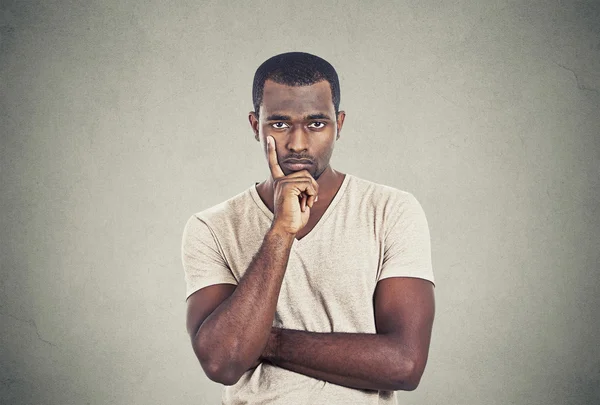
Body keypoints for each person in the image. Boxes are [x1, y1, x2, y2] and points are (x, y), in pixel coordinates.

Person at [181, 51, 435, 404]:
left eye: (316, 124)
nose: (298, 143)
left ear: (339, 124)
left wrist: (265, 340)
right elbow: (223, 361)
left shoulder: (390, 210)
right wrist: (281, 231)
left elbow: (404, 364)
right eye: (280, 124)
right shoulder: (212, 227)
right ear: (256, 126)